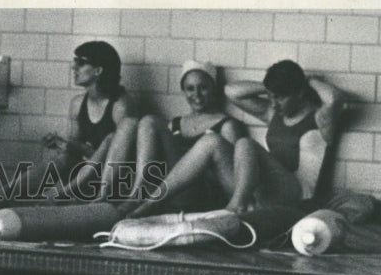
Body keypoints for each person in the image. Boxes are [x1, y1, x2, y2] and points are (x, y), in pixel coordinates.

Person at [126, 59, 344, 218]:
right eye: (271, 97)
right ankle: (150, 201)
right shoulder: (274, 113)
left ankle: (236, 207)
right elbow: (232, 91)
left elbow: (334, 98)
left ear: (298, 93)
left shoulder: (320, 118)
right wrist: (272, 87)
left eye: (280, 98)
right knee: (211, 142)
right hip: (261, 191)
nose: (274, 104)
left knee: (244, 143)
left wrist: (308, 80)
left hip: (297, 195)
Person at [121, 60, 244, 208]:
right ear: (184, 91)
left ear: (214, 89)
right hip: (167, 190)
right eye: (190, 89)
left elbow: (234, 175)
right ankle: (137, 193)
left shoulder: (226, 125)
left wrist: (196, 160)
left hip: (201, 192)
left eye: (203, 87)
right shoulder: (175, 123)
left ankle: (138, 199)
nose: (196, 94)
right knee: (149, 121)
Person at [31, 41, 135, 202]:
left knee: (108, 141)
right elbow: (72, 154)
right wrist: (60, 144)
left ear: (98, 70)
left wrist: (76, 147)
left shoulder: (120, 106)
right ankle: (5, 195)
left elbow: (120, 161)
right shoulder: (77, 103)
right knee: (62, 159)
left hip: (113, 180)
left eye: (81, 62)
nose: (74, 67)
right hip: (86, 176)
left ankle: (62, 195)